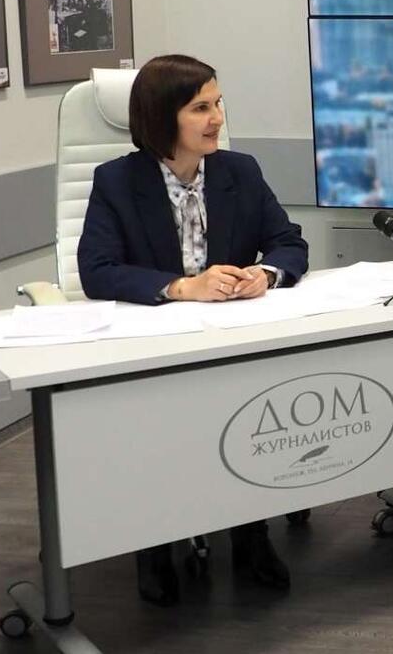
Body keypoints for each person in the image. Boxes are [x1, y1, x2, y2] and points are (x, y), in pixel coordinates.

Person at [78, 54, 308, 606]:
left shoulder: (240, 172)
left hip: (231, 340)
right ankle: (155, 544)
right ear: (163, 118)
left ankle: (250, 533)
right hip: (153, 347)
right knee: (162, 425)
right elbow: (97, 272)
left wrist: (264, 274)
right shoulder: (117, 181)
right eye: (201, 108)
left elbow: (289, 243)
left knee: (250, 415)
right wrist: (183, 287)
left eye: (218, 104)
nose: (217, 119)